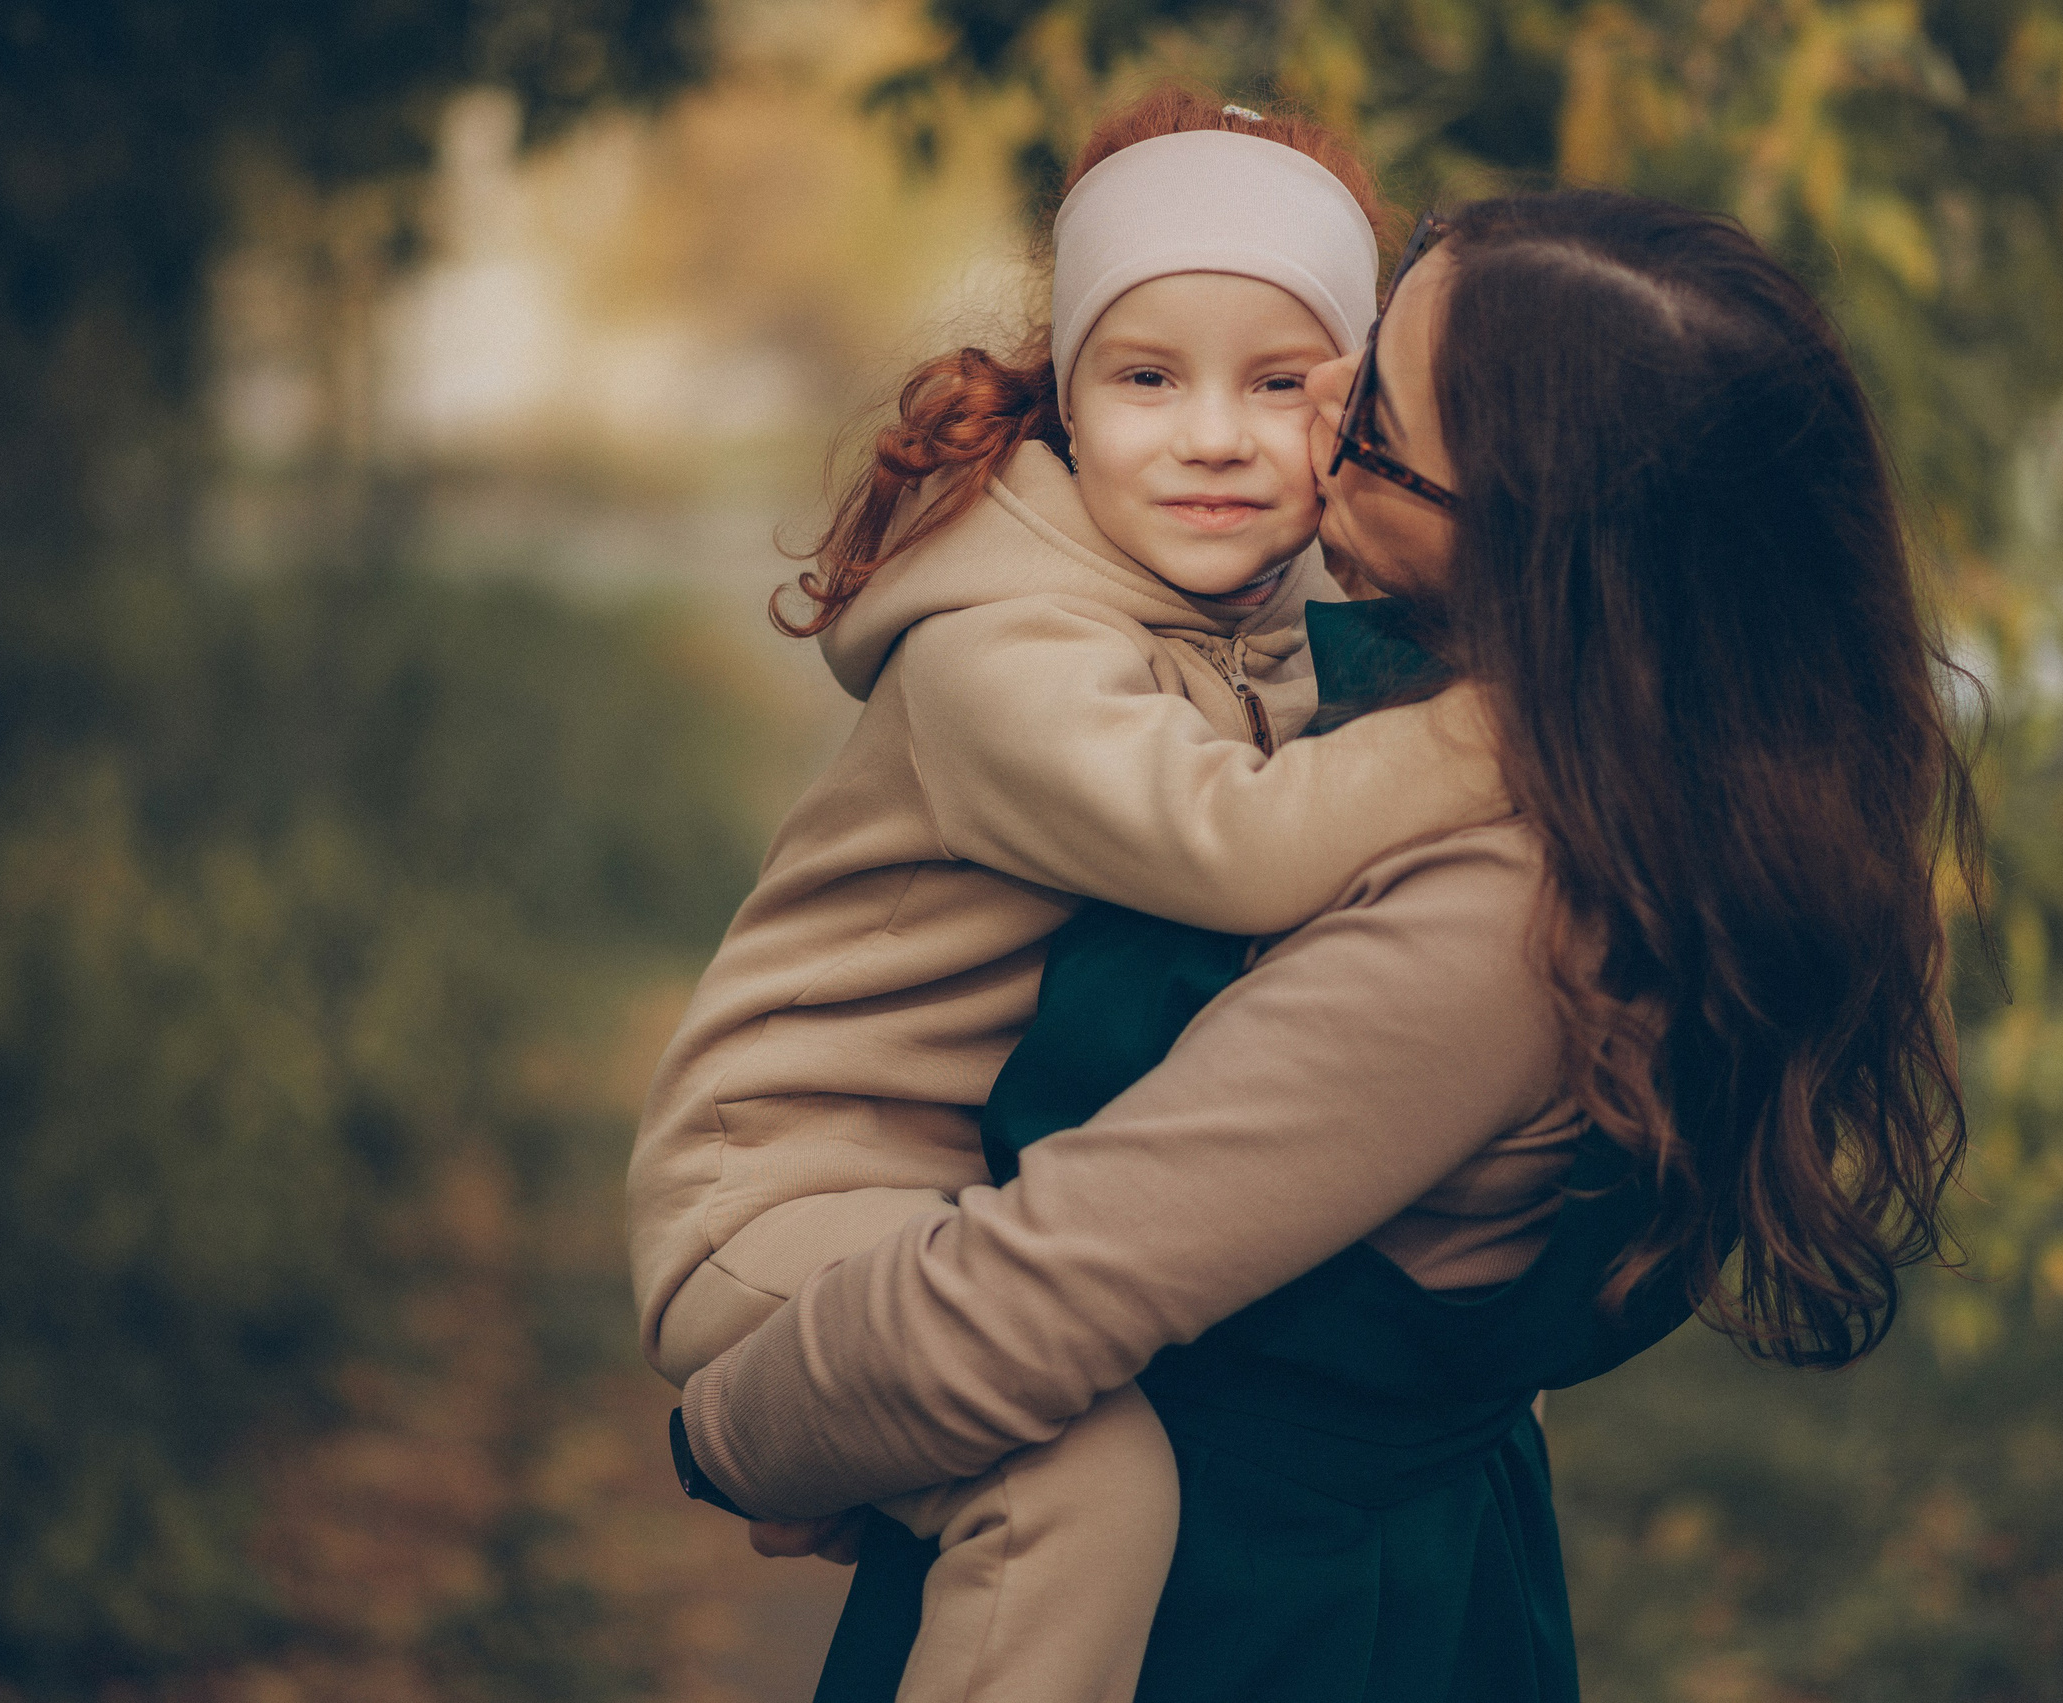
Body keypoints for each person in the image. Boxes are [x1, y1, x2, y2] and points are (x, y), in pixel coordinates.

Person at [670, 189, 1985, 1702]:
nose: (1299, 438)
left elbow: (1043, 1290)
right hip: (1390, 1569)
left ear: (1535, 551)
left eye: (1360, 426)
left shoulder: (1498, 921)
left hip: (1217, 1618)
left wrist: (732, 1436)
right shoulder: (1637, 795)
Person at [626, 92, 1511, 1703]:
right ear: (1069, 398)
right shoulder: (999, 647)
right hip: (785, 1195)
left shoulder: (1241, 602)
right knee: (1076, 1490)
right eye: (1149, 378)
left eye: (1285, 383)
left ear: (1357, 414)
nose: (1216, 435)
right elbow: (1232, 845)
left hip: (956, 1204)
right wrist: (1524, 724)